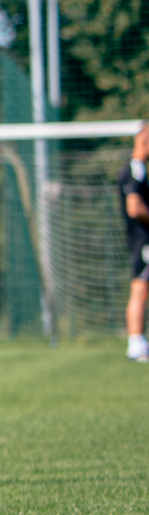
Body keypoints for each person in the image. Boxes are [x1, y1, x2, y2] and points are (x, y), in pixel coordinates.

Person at [122, 126, 149, 361]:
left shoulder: (138, 169)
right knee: (140, 288)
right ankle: (136, 344)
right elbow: (134, 207)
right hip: (143, 240)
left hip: (140, 239)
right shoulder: (135, 169)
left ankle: (138, 343)